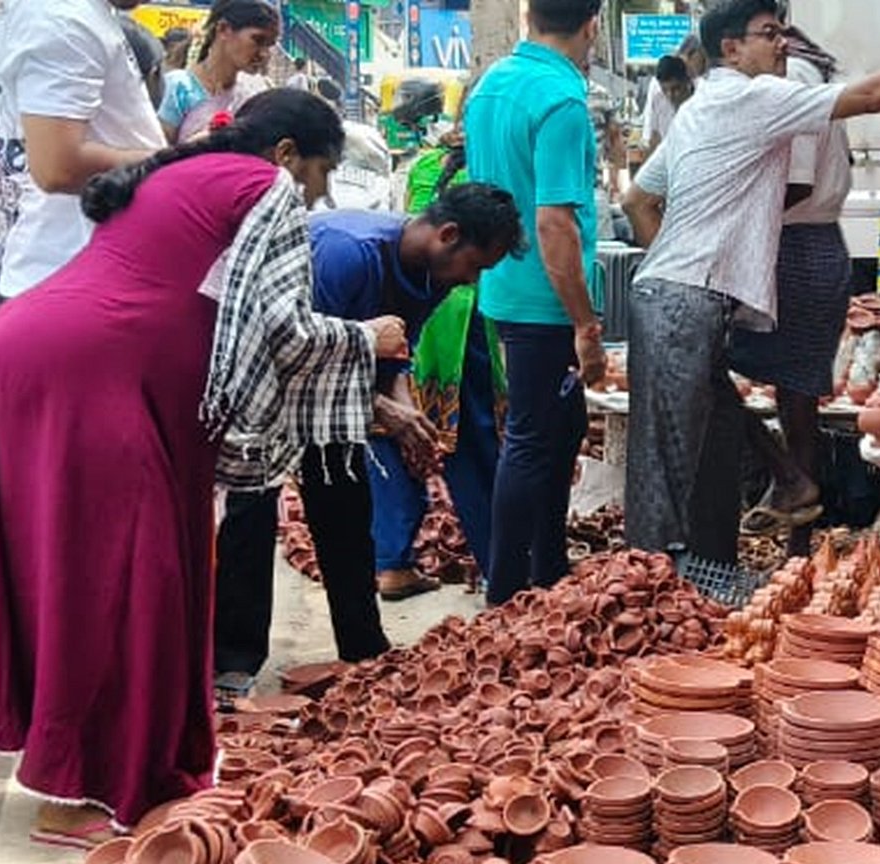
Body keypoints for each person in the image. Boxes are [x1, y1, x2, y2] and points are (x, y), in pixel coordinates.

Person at [0, 90, 405, 846]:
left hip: (28, 355)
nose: (318, 196)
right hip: (90, 375)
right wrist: (364, 338)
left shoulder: (179, 173)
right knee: (121, 582)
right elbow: (278, 329)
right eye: (319, 175)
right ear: (288, 154)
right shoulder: (265, 187)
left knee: (61, 572)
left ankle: (89, 763)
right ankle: (76, 793)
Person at [621, 0, 880, 565]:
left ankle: (722, 553)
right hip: (684, 297)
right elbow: (871, 96)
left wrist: (678, 257)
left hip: (673, 293)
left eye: (782, 31)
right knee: (670, 461)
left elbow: (636, 200)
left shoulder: (699, 105)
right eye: (768, 33)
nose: (782, 41)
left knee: (711, 437)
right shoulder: (753, 95)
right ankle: (658, 579)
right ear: (731, 49)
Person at [213, 183, 523, 673]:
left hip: (335, 391)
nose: (471, 280)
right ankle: (234, 662)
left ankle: (362, 649)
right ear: (448, 235)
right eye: (475, 265)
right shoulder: (348, 254)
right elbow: (297, 352)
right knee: (252, 511)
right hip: (268, 376)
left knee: (345, 507)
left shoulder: (432, 276)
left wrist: (405, 411)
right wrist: (383, 410)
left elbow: (395, 350)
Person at [465, 0, 607, 606]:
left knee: (560, 426)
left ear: (528, 19)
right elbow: (554, 222)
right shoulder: (562, 100)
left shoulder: (491, 85)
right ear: (592, 24)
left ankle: (548, 569)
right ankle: (505, 594)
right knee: (529, 438)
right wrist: (585, 325)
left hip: (502, 287)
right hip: (544, 299)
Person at [368, 132, 510, 599]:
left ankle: (392, 561)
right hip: (459, 325)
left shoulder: (424, 166)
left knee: (395, 437)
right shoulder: (488, 183)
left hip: (409, 323)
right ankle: (497, 564)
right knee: (471, 443)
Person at [728, 26, 851, 557]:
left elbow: (796, 183)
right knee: (794, 396)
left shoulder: (793, 78)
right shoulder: (806, 72)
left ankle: (790, 491)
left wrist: (729, 214)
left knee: (782, 389)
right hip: (807, 242)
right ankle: (794, 527)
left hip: (796, 245)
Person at [0, 0, 165, 300]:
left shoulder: (74, 14)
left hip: (73, 270)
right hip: (72, 278)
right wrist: (177, 161)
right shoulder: (64, 19)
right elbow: (59, 167)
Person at [158, 0, 279, 144]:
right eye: (258, 40)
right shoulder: (178, 88)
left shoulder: (255, 94)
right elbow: (158, 152)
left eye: (269, 45)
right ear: (223, 29)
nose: (264, 54)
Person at [642, 54, 692, 153]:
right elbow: (655, 138)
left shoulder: (698, 104)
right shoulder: (659, 101)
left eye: (676, 89)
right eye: (664, 90)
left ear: (686, 81)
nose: (670, 95)